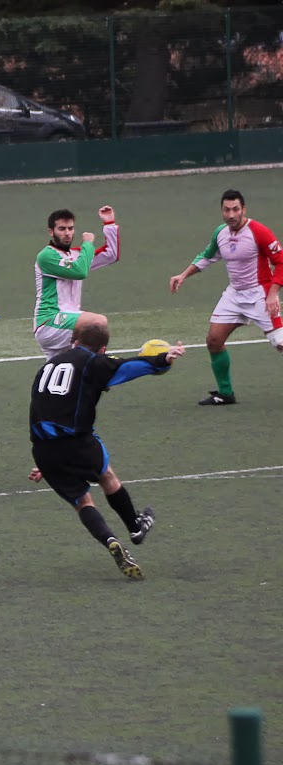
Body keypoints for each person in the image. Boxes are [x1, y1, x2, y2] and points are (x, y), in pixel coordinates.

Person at [28, 321, 184, 580]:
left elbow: (43, 407)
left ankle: (110, 539)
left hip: (43, 447)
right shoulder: (94, 362)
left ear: (74, 341)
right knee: (107, 477)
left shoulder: (47, 366)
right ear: (102, 349)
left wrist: (47, 462)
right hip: (77, 442)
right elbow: (128, 367)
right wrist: (162, 360)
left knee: (82, 502)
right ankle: (135, 527)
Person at [168, 188, 283, 405]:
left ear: (244, 209)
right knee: (214, 340)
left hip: (260, 295)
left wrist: (273, 294)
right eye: (227, 210)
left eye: (235, 209)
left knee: (280, 343)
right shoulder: (220, 233)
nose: (231, 214)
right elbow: (208, 256)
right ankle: (225, 393)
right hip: (234, 296)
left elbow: (281, 262)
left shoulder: (259, 232)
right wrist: (183, 275)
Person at [33, 205, 120, 360]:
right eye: (62, 229)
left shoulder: (77, 255)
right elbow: (79, 272)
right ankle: (99, 365)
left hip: (70, 322)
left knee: (58, 369)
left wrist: (109, 224)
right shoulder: (46, 256)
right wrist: (88, 244)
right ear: (51, 232)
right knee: (97, 322)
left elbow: (111, 255)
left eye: (70, 228)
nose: (67, 233)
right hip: (49, 321)